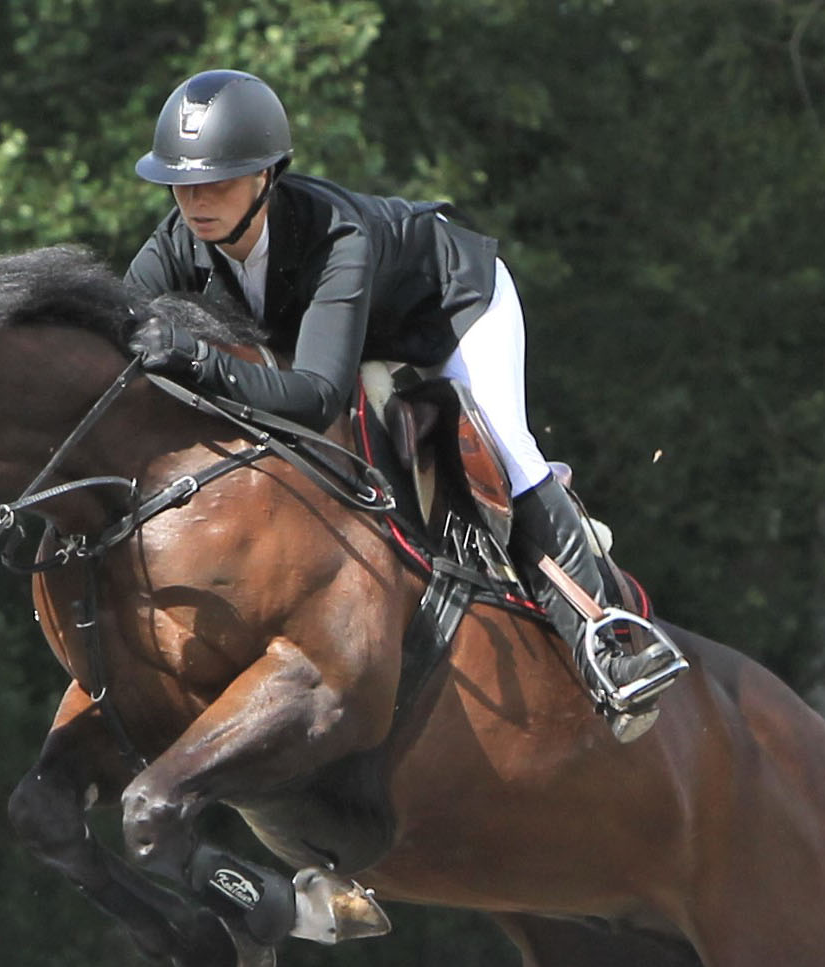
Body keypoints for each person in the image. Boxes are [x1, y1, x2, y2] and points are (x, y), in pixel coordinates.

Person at [118, 69, 688, 734]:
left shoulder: (339, 236)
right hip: (354, 339)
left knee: (502, 440)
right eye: (181, 184)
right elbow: (116, 329)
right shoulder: (176, 244)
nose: (195, 200)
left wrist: (196, 359)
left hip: (448, 309)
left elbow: (315, 394)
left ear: (267, 176)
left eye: (217, 180)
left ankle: (609, 642)